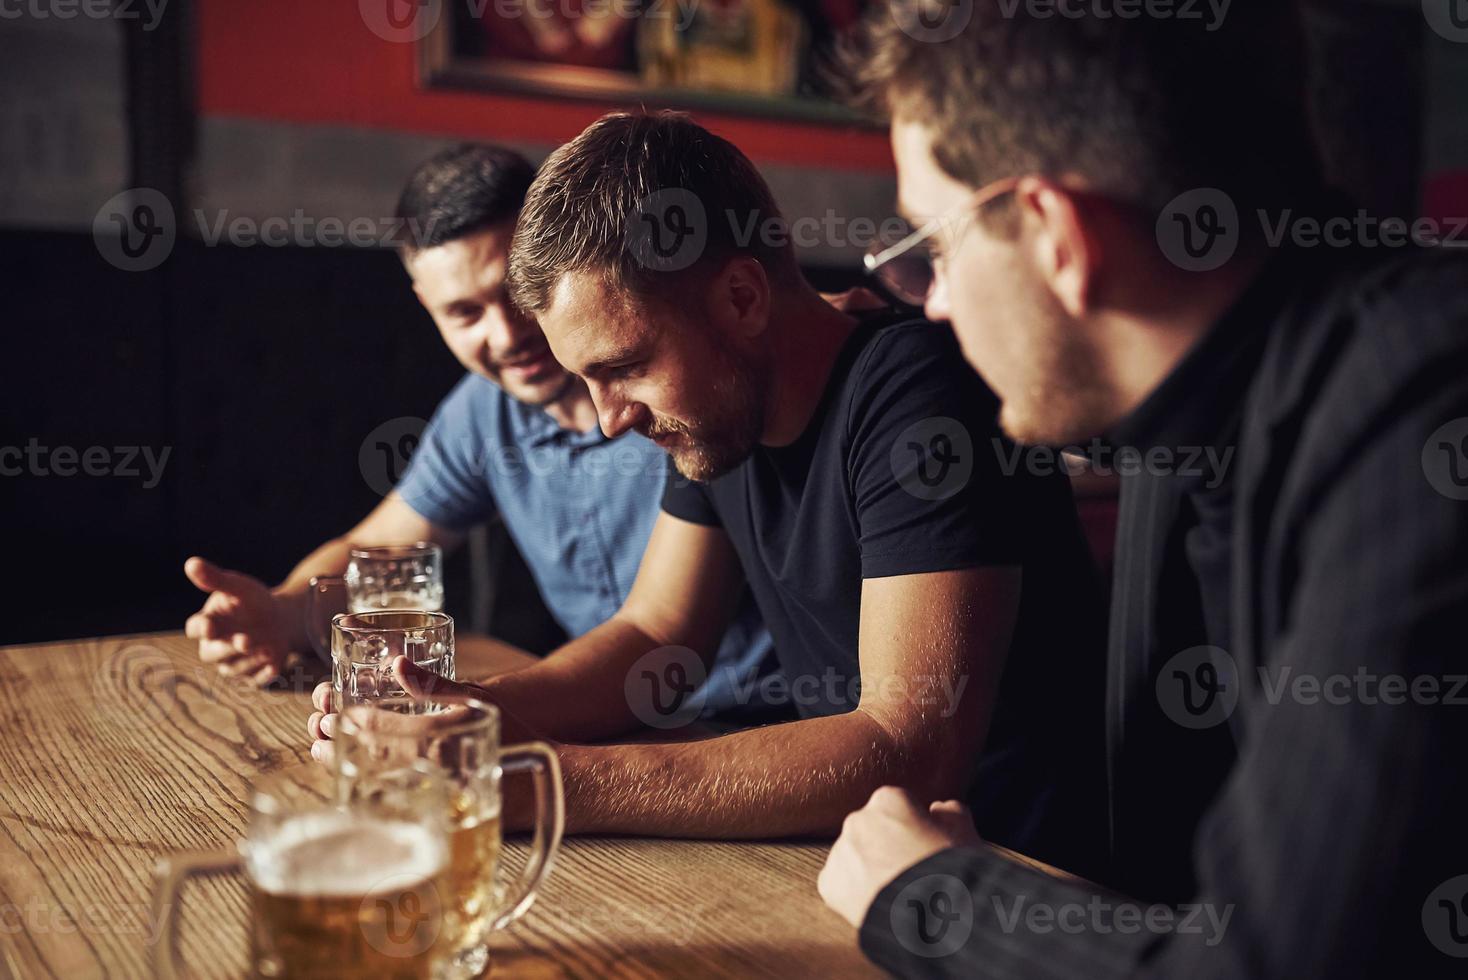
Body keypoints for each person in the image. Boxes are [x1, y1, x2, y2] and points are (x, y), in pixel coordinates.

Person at [819, 3, 1468, 977]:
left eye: (936, 247)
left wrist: (924, 894)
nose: (935, 300)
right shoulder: (1197, 434)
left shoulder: (1422, 404)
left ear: (1056, 235)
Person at [311, 112, 1110, 864]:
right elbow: (658, 633)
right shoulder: (723, 416)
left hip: (1021, 879)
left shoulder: (920, 396)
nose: (610, 419)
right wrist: (468, 714)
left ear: (741, 298)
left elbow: (907, 748)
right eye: (587, 378)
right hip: (851, 861)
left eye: (623, 368)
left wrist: (543, 782)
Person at [183, 143, 773, 721]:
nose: (506, 335)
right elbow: (385, 552)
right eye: (464, 313)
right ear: (427, 307)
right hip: (602, 718)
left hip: (756, 723)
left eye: (517, 296)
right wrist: (281, 612)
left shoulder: (691, 387)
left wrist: (486, 710)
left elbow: (658, 630)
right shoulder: (483, 411)